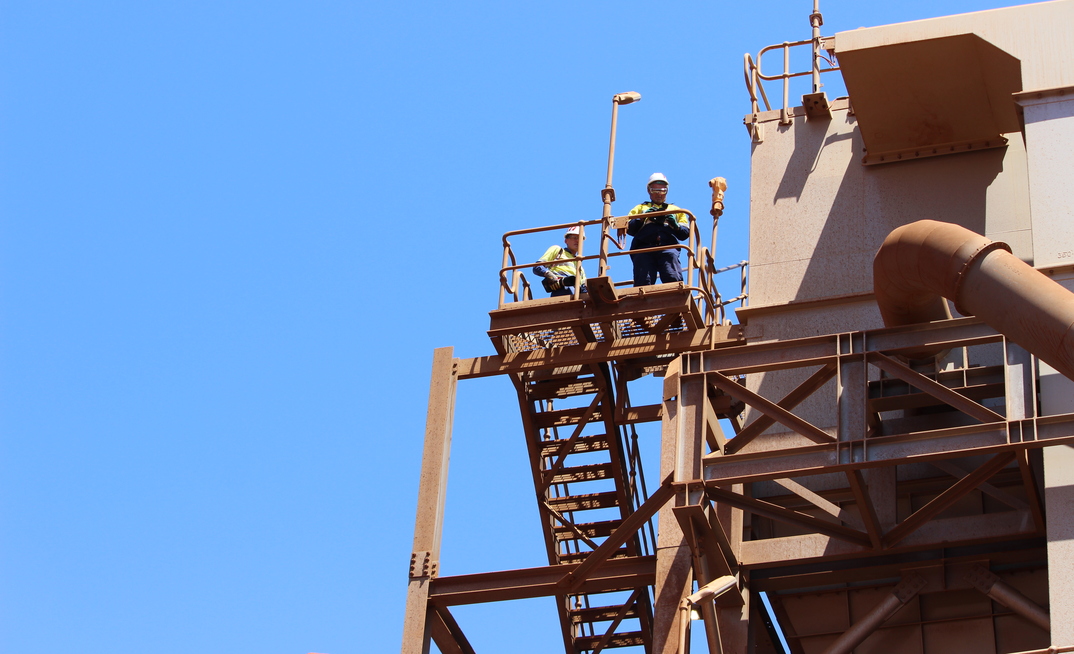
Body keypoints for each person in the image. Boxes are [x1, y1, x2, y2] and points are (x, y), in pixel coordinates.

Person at [625, 172, 690, 286]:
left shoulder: (676, 210)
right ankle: (642, 294)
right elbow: (629, 228)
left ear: (667, 191)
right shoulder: (640, 208)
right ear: (649, 191)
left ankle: (676, 292)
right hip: (644, 247)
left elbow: (685, 233)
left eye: (663, 190)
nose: (659, 194)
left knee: (672, 275)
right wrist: (642, 218)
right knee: (644, 279)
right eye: (655, 190)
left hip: (668, 246)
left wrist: (675, 225)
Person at [533, 226, 588, 297]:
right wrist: (549, 274)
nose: (577, 241)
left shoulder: (579, 265)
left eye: (580, 239)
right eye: (574, 238)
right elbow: (537, 267)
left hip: (575, 295)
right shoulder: (558, 251)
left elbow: (584, 288)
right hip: (561, 290)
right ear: (566, 240)